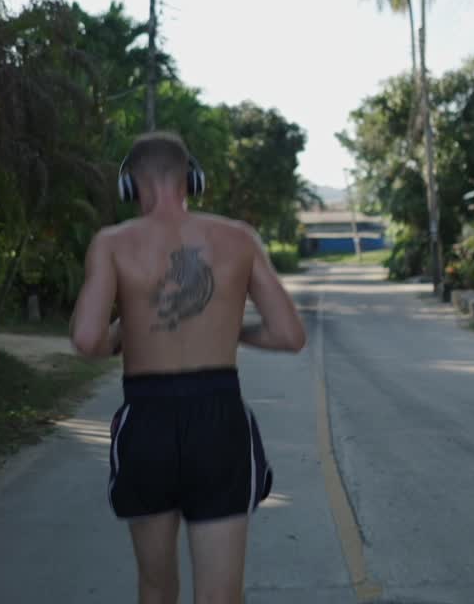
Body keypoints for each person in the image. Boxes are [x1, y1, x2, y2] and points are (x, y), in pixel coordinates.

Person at [69, 131, 306, 604]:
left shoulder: (113, 242)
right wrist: (223, 326)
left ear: (130, 186)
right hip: (219, 422)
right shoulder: (238, 237)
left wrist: (130, 326)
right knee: (220, 596)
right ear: (191, 181)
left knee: (156, 588)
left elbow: (88, 339)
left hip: (146, 421)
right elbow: (289, 335)